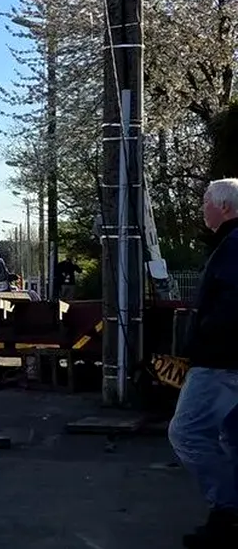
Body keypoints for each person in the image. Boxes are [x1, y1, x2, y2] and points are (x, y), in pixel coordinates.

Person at [167, 178, 238, 548]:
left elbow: (231, 306)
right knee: (232, 437)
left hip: (221, 361)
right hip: (226, 359)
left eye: (205, 201)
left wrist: (203, 342)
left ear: (224, 206)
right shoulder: (229, 243)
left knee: (187, 433)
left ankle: (228, 512)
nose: (201, 209)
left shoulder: (233, 245)